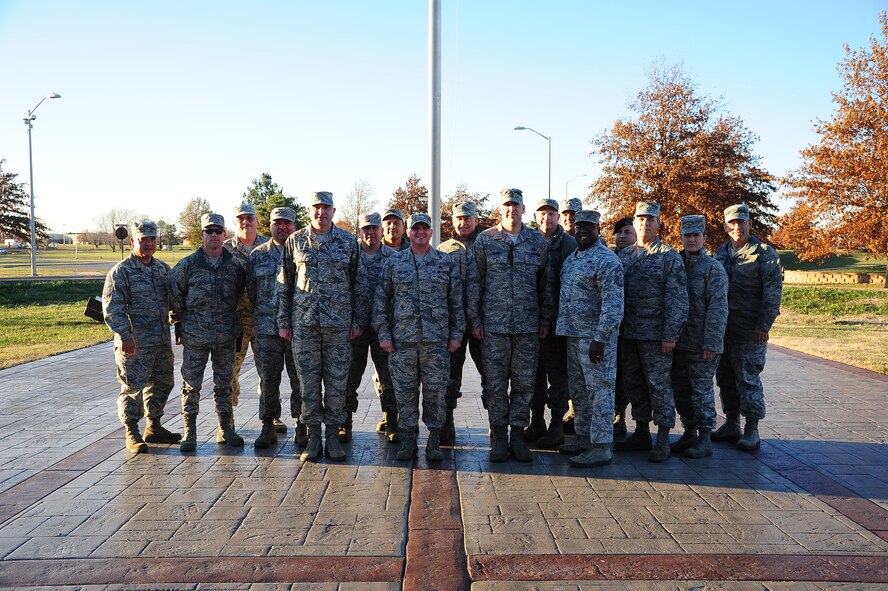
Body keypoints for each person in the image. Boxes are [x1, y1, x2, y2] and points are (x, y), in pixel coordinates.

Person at [277, 191, 367, 462]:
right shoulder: (295, 241)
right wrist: (283, 322)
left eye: (325, 207)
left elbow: (359, 285)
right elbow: (284, 286)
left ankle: (333, 437)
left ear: (333, 211)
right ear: (309, 211)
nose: (321, 212)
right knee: (308, 385)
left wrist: (357, 321)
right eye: (316, 207)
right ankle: (314, 437)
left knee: (338, 384)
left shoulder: (348, 242)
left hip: (338, 328)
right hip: (304, 327)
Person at [467, 188, 554, 463]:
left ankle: (518, 435)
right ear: (500, 209)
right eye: (506, 205)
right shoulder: (485, 240)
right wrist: (475, 320)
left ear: (523, 209)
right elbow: (474, 283)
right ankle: (498, 438)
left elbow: (546, 285)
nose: (511, 210)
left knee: (524, 384)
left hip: (528, 328)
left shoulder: (536, 242)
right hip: (493, 328)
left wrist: (545, 320)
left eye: (515, 205)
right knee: (494, 384)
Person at [373, 213, 465, 461]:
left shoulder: (445, 263)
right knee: (404, 393)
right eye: (416, 229)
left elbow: (456, 303)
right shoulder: (394, 263)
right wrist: (384, 334)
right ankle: (408, 439)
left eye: (425, 229)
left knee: (436, 393)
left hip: (436, 343)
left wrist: (456, 335)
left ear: (431, 233)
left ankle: (434, 440)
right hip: (402, 342)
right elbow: (381, 301)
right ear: (408, 232)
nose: (420, 232)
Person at [615, 202, 688, 462]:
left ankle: (664, 438)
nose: (644, 223)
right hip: (629, 335)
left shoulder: (668, 257)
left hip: (656, 337)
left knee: (659, 385)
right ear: (633, 222)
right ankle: (642, 431)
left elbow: (677, 299)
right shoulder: (623, 256)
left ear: (658, 224)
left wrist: (670, 334)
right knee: (633, 384)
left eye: (650, 219)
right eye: (640, 219)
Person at [170, 213, 248, 452]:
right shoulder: (187, 266)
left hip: (226, 336)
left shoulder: (235, 266)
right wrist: (182, 324)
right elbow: (175, 297)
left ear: (225, 235)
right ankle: (189, 432)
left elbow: (241, 295)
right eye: (209, 231)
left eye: (218, 231)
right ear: (202, 235)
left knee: (224, 385)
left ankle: (227, 428)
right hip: (196, 337)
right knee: (191, 386)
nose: (214, 235)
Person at [102, 220, 180, 453]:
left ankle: (154, 426)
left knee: (163, 383)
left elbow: (173, 301)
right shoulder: (121, 272)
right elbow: (112, 307)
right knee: (133, 387)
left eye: (152, 239)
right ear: (132, 242)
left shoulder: (162, 269)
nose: (148, 243)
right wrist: (125, 335)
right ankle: (132, 432)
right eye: (143, 239)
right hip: (134, 343)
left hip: (160, 341)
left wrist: (178, 325)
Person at [555, 210, 624, 466]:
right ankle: (584, 438)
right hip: (573, 336)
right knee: (580, 393)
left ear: (598, 229)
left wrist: (601, 337)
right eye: (579, 226)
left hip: (595, 340)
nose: (583, 230)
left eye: (589, 227)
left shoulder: (606, 260)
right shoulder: (573, 259)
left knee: (600, 392)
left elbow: (614, 304)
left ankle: (601, 445)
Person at [712, 204, 783, 451]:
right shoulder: (719, 253)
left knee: (748, 378)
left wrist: (764, 325)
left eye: (741, 222)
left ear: (749, 224)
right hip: (722, 330)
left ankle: (752, 428)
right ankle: (732, 423)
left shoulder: (764, 253)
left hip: (750, 330)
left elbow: (773, 293)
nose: (737, 227)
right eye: (732, 223)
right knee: (725, 378)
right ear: (725, 227)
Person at [669, 215, 728, 458]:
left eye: (696, 235)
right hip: (678, 342)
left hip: (702, 344)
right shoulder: (675, 263)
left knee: (701, 391)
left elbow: (718, 307)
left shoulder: (712, 268)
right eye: (687, 235)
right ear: (681, 237)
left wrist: (712, 342)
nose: (691, 239)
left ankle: (704, 437)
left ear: (704, 237)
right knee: (681, 389)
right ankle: (688, 432)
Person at [248, 207, 303, 449]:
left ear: (294, 226)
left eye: (287, 223)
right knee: (268, 379)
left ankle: (302, 425)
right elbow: (251, 291)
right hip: (266, 329)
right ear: (269, 226)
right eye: (277, 223)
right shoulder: (257, 255)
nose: (282, 227)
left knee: (299, 379)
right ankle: (267, 425)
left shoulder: (302, 252)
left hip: (297, 329)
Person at [526, 198, 576, 449]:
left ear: (558, 218)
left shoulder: (569, 244)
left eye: (552, 214)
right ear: (536, 217)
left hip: (559, 323)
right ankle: (537, 423)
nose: (547, 218)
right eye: (543, 214)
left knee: (557, 376)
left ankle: (557, 425)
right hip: (531, 322)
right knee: (534, 374)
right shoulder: (530, 240)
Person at [344, 212, 398, 443]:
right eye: (366, 228)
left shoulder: (392, 258)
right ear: (360, 231)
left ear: (381, 230)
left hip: (382, 328)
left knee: (389, 377)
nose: (371, 232)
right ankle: (344, 423)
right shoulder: (349, 254)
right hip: (354, 327)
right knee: (348, 377)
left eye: (375, 228)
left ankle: (392, 421)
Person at [438, 201, 487, 443]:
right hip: (452, 324)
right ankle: (446, 422)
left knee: (491, 375)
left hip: (483, 322)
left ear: (475, 220)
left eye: (468, 218)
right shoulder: (444, 249)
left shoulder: (488, 243)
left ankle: (496, 424)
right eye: (458, 218)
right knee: (448, 376)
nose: (463, 222)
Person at [223, 204, 274, 424]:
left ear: (256, 221)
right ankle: (228, 420)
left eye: (250, 218)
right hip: (234, 324)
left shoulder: (269, 247)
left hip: (263, 320)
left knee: (268, 372)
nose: (246, 222)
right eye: (241, 218)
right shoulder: (224, 250)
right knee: (229, 371)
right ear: (234, 222)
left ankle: (269, 417)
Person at [611, 216, 637, 439]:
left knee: (629, 377)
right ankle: (614, 415)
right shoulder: (607, 257)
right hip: (611, 331)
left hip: (634, 330)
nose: (622, 236)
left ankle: (622, 417)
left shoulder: (641, 258)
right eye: (619, 232)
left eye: (627, 232)